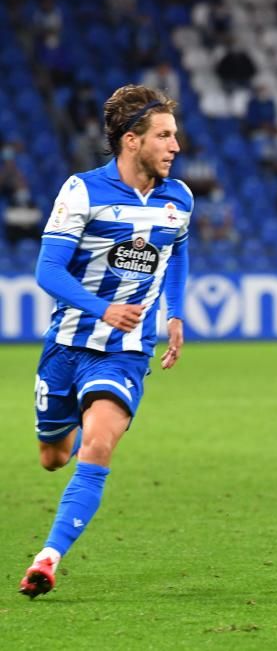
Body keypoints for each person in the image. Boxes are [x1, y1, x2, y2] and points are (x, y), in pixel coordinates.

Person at [19, 85, 191, 598]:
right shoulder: (82, 192)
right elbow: (47, 269)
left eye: (175, 135)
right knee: (53, 456)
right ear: (131, 140)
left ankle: (47, 559)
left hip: (124, 351)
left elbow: (178, 252)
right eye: (164, 136)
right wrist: (102, 309)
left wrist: (174, 313)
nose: (175, 146)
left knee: (98, 443)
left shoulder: (177, 198)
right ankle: (66, 428)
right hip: (66, 346)